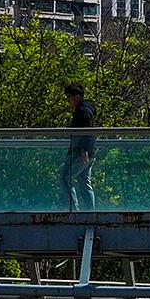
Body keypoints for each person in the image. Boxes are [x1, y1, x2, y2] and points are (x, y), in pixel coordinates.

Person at [62, 84, 96, 212]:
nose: (68, 100)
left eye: (69, 97)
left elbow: (86, 131)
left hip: (82, 152)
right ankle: (90, 213)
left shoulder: (82, 112)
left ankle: (73, 210)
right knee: (84, 182)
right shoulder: (87, 109)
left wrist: (84, 151)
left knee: (65, 177)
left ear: (77, 97)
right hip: (89, 151)